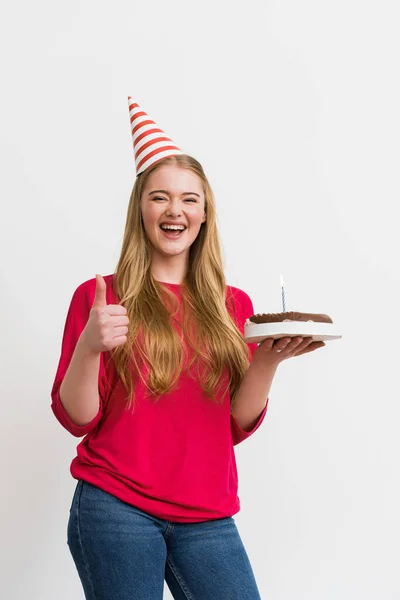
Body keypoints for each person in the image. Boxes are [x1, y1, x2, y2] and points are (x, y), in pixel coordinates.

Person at [51, 98, 324, 600]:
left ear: (204, 214)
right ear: (141, 209)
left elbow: (234, 424)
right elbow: (77, 418)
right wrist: (90, 348)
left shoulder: (233, 305)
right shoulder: (101, 298)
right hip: (116, 507)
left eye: (188, 199)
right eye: (159, 197)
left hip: (208, 516)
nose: (174, 210)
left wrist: (266, 361)